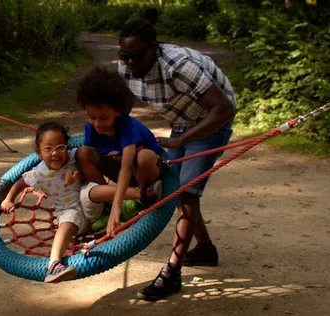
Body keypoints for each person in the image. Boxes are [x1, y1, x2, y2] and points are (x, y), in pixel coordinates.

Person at [117, 8, 236, 301]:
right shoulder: (126, 67)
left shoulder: (178, 66)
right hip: (182, 120)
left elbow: (222, 108)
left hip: (212, 119)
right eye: (125, 55)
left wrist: (181, 140)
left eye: (137, 55)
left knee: (186, 191)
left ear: (153, 49)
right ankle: (205, 248)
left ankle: (172, 273)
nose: (130, 62)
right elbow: (124, 112)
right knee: (179, 185)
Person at [1, 122, 145, 283]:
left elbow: (89, 159)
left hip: (92, 204)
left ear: (67, 148)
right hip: (70, 212)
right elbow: (21, 183)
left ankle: (142, 193)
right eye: (48, 149)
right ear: (39, 153)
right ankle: (54, 264)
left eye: (60, 147)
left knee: (90, 190)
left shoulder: (74, 157)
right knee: (66, 222)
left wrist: (79, 174)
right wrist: (8, 199)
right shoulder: (38, 173)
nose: (55, 153)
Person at [74, 66, 165, 238]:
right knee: (82, 153)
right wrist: (75, 174)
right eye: (92, 117)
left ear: (117, 111)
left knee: (144, 156)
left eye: (103, 118)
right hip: (116, 168)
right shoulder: (92, 128)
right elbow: (87, 156)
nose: (98, 124)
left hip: (141, 171)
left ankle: (142, 196)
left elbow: (127, 167)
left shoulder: (126, 127)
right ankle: (106, 206)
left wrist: (118, 205)